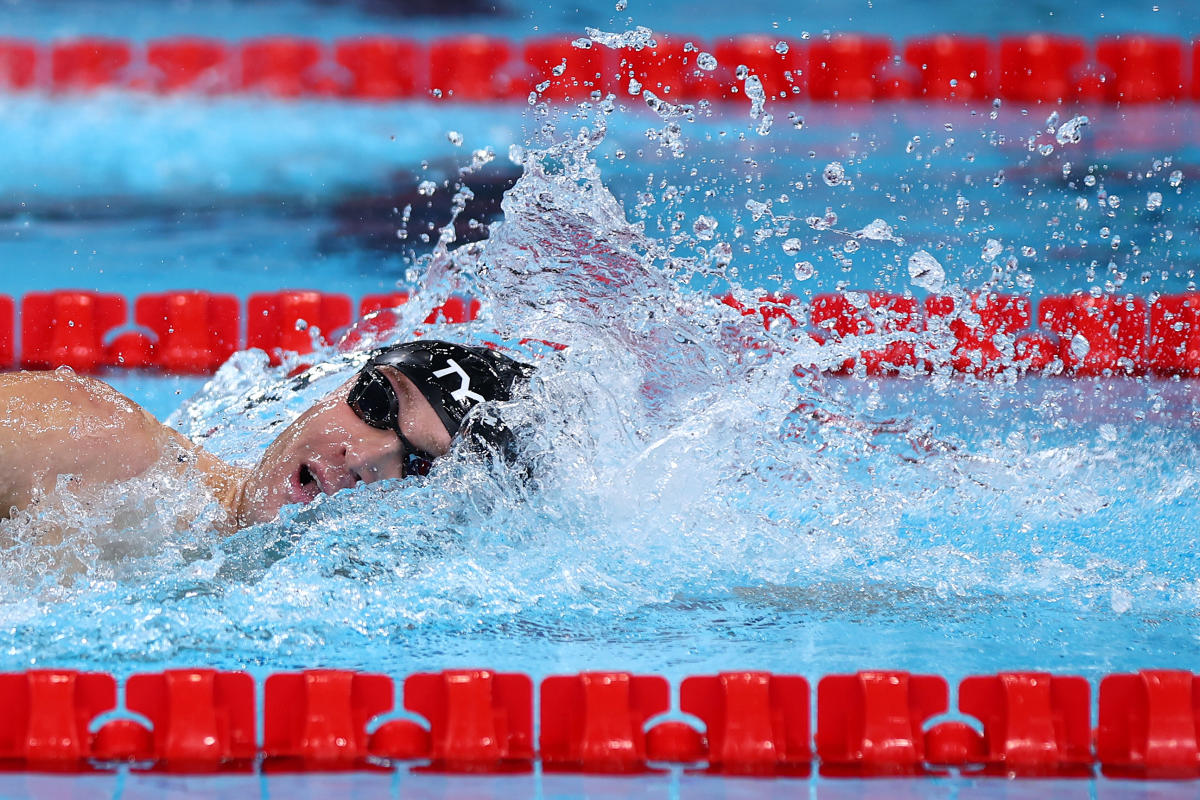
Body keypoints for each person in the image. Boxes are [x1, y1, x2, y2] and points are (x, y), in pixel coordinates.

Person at [0, 340, 534, 534]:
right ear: (337, 387)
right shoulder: (90, 438)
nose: (363, 456)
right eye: (378, 401)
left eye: (416, 466)